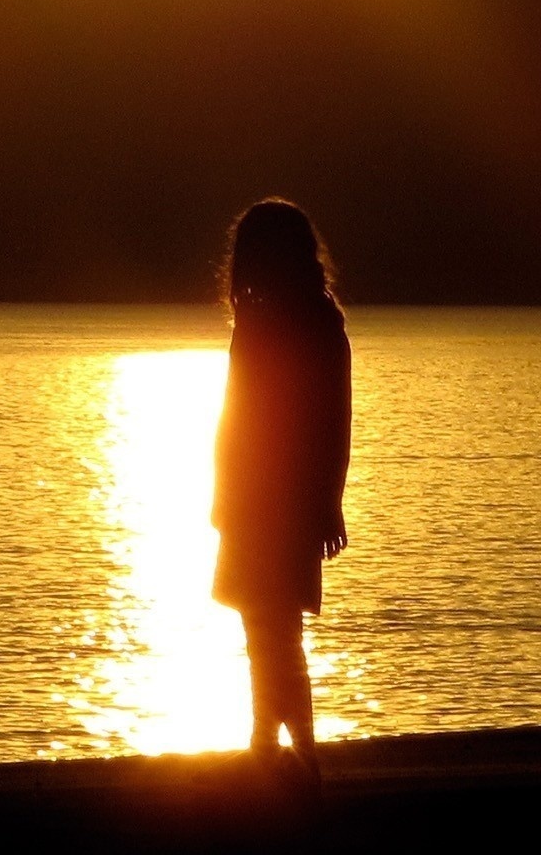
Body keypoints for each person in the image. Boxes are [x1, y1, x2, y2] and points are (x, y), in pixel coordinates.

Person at [211, 198, 352, 787]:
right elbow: (235, 414)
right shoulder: (270, 321)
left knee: (275, 634)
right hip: (252, 500)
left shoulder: (314, 325)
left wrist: (326, 503)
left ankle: (294, 756)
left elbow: (330, 421)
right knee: (264, 631)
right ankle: (269, 750)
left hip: (279, 503)